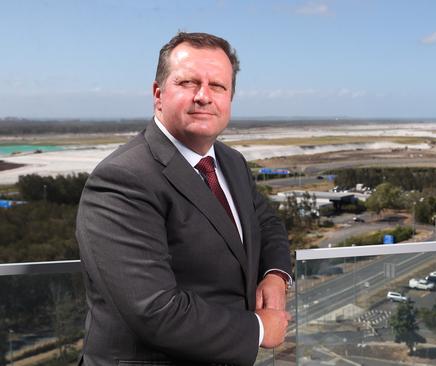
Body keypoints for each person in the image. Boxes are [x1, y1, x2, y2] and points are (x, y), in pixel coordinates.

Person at [76, 32, 292, 366]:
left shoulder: (230, 162)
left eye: (217, 86)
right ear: (158, 95)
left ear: (230, 98)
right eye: (189, 82)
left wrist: (275, 275)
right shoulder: (122, 179)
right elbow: (155, 310)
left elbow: (266, 223)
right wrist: (259, 329)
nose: (204, 97)